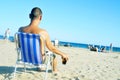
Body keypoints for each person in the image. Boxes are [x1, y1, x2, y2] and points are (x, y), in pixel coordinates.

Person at [18, 7, 68, 73]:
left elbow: (19, 46)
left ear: (29, 16)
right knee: (53, 56)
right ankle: (55, 71)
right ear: (40, 17)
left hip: (25, 58)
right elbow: (52, 48)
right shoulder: (43, 32)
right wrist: (63, 54)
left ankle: (40, 67)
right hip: (39, 60)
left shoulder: (20, 30)